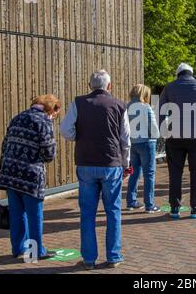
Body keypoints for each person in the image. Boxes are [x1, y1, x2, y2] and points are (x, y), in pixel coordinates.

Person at [61, 70, 131, 270]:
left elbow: (65, 130)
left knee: (87, 213)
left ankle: (89, 259)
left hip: (86, 162)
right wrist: (126, 164)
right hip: (111, 164)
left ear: (89, 85)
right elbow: (126, 139)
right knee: (113, 211)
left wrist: (79, 137)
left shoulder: (78, 103)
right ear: (109, 86)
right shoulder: (119, 105)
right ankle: (114, 255)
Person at [0, 95, 61, 261]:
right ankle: (36, 251)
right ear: (51, 108)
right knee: (35, 215)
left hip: (10, 173)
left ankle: (18, 249)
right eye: (55, 114)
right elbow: (49, 154)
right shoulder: (43, 121)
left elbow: (5, 145)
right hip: (30, 175)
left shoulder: (17, 117)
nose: (54, 117)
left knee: (17, 214)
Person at [159, 63, 196, 219]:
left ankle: (175, 208)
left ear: (178, 74)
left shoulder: (169, 87)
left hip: (174, 135)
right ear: (191, 73)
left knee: (175, 172)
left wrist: (164, 132)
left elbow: (160, 110)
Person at [126, 84, 161, 214]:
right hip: (147, 142)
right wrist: (156, 136)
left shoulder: (126, 107)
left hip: (133, 143)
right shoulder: (146, 107)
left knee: (134, 173)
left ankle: (131, 201)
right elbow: (153, 126)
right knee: (149, 174)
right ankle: (149, 205)